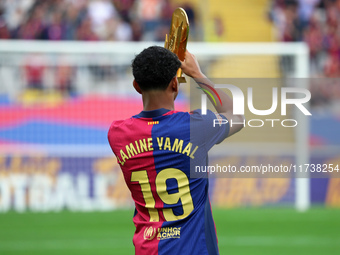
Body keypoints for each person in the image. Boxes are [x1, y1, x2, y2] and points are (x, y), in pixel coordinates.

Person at [108, 46, 244, 254]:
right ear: (175, 84)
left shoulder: (117, 134)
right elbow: (236, 116)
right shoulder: (196, 126)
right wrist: (197, 74)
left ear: (136, 86)